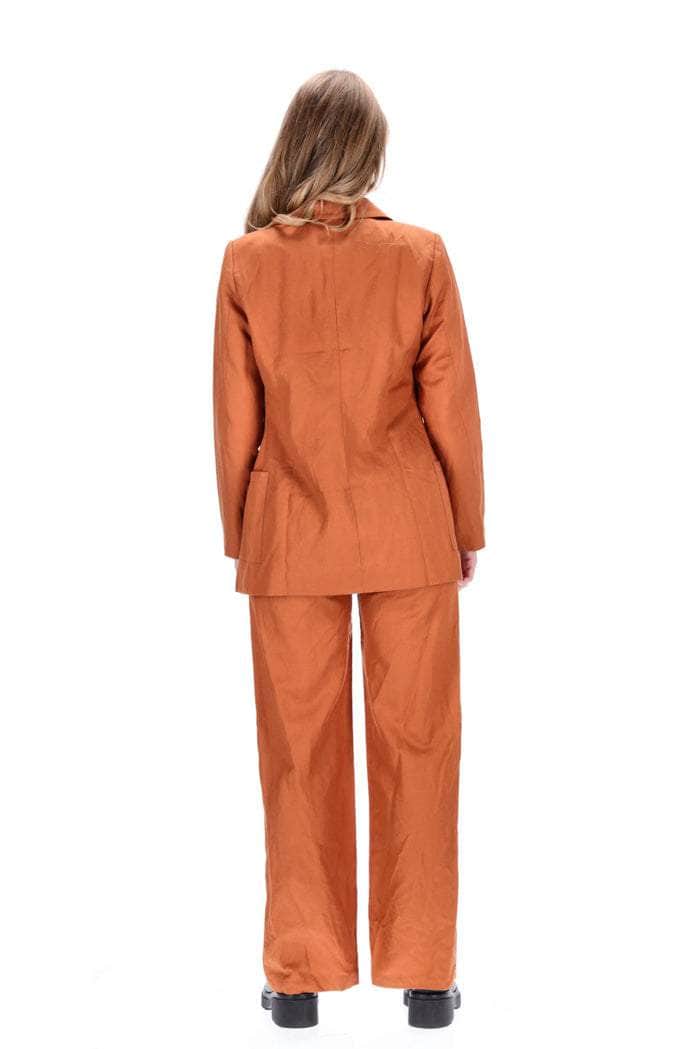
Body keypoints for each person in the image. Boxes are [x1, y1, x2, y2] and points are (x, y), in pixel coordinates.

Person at [213, 69, 485, 1030]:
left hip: (290, 538)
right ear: (369, 151)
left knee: (297, 755)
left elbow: (235, 419)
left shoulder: (247, 263)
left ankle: (298, 979)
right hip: (410, 529)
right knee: (421, 748)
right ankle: (425, 976)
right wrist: (465, 528)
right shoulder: (421, 256)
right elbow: (451, 406)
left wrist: (244, 537)